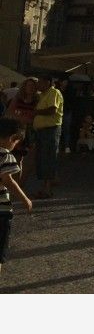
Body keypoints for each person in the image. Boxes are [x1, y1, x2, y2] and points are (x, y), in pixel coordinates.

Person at [0, 117, 33, 276]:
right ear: (12, 138)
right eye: (16, 142)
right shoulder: (6, 156)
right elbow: (8, 180)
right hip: (1, 210)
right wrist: (24, 198)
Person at [32, 75, 63, 200]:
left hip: (50, 130)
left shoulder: (53, 92)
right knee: (42, 158)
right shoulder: (42, 95)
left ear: (47, 82)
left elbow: (52, 110)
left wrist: (37, 112)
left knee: (48, 157)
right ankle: (45, 186)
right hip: (42, 130)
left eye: (39, 82)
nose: (38, 85)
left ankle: (47, 188)